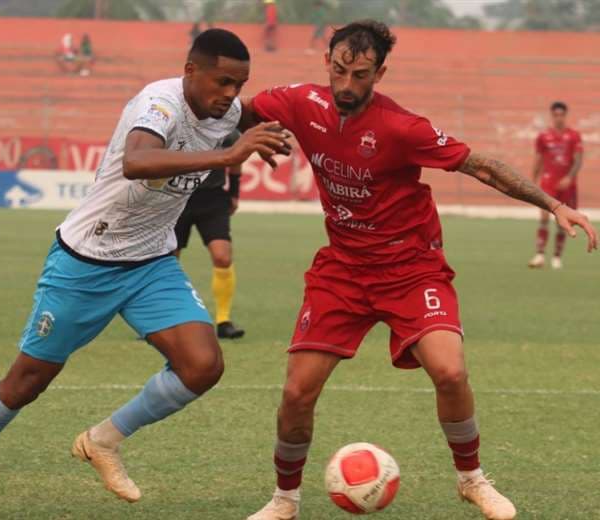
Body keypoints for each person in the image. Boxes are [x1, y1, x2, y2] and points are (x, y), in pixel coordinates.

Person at [0, 28, 290, 520]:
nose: (230, 96)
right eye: (222, 82)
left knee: (203, 365)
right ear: (190, 70)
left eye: (238, 86)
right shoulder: (160, 104)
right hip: (86, 261)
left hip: (151, 263)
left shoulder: (229, 113)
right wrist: (228, 155)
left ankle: (103, 440)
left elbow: (275, 108)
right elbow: (137, 160)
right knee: (27, 381)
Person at [240, 20, 597, 520]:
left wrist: (553, 204)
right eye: (340, 70)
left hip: (411, 268)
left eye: (360, 75)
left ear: (380, 73)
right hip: (342, 268)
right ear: (327, 62)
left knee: (450, 371)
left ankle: (471, 480)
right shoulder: (300, 102)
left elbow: (483, 166)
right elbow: (240, 110)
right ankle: (285, 501)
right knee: (297, 391)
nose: (347, 85)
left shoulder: (402, 127)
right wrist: (236, 150)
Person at [174, 129, 245, 339]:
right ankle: (169, 319)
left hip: (213, 198)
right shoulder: (177, 122)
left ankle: (223, 320)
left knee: (222, 256)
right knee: (168, 261)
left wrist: (234, 192)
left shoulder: (226, 127)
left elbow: (236, 158)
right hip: (177, 198)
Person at [528, 101, 583, 269]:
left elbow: (578, 160)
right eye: (556, 115)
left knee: (563, 221)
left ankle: (557, 257)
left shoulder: (574, 136)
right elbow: (538, 159)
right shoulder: (543, 136)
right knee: (544, 217)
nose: (559, 118)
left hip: (567, 186)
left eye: (562, 115)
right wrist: (533, 181)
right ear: (552, 115)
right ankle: (539, 255)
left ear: (565, 115)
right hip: (548, 183)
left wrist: (569, 177)